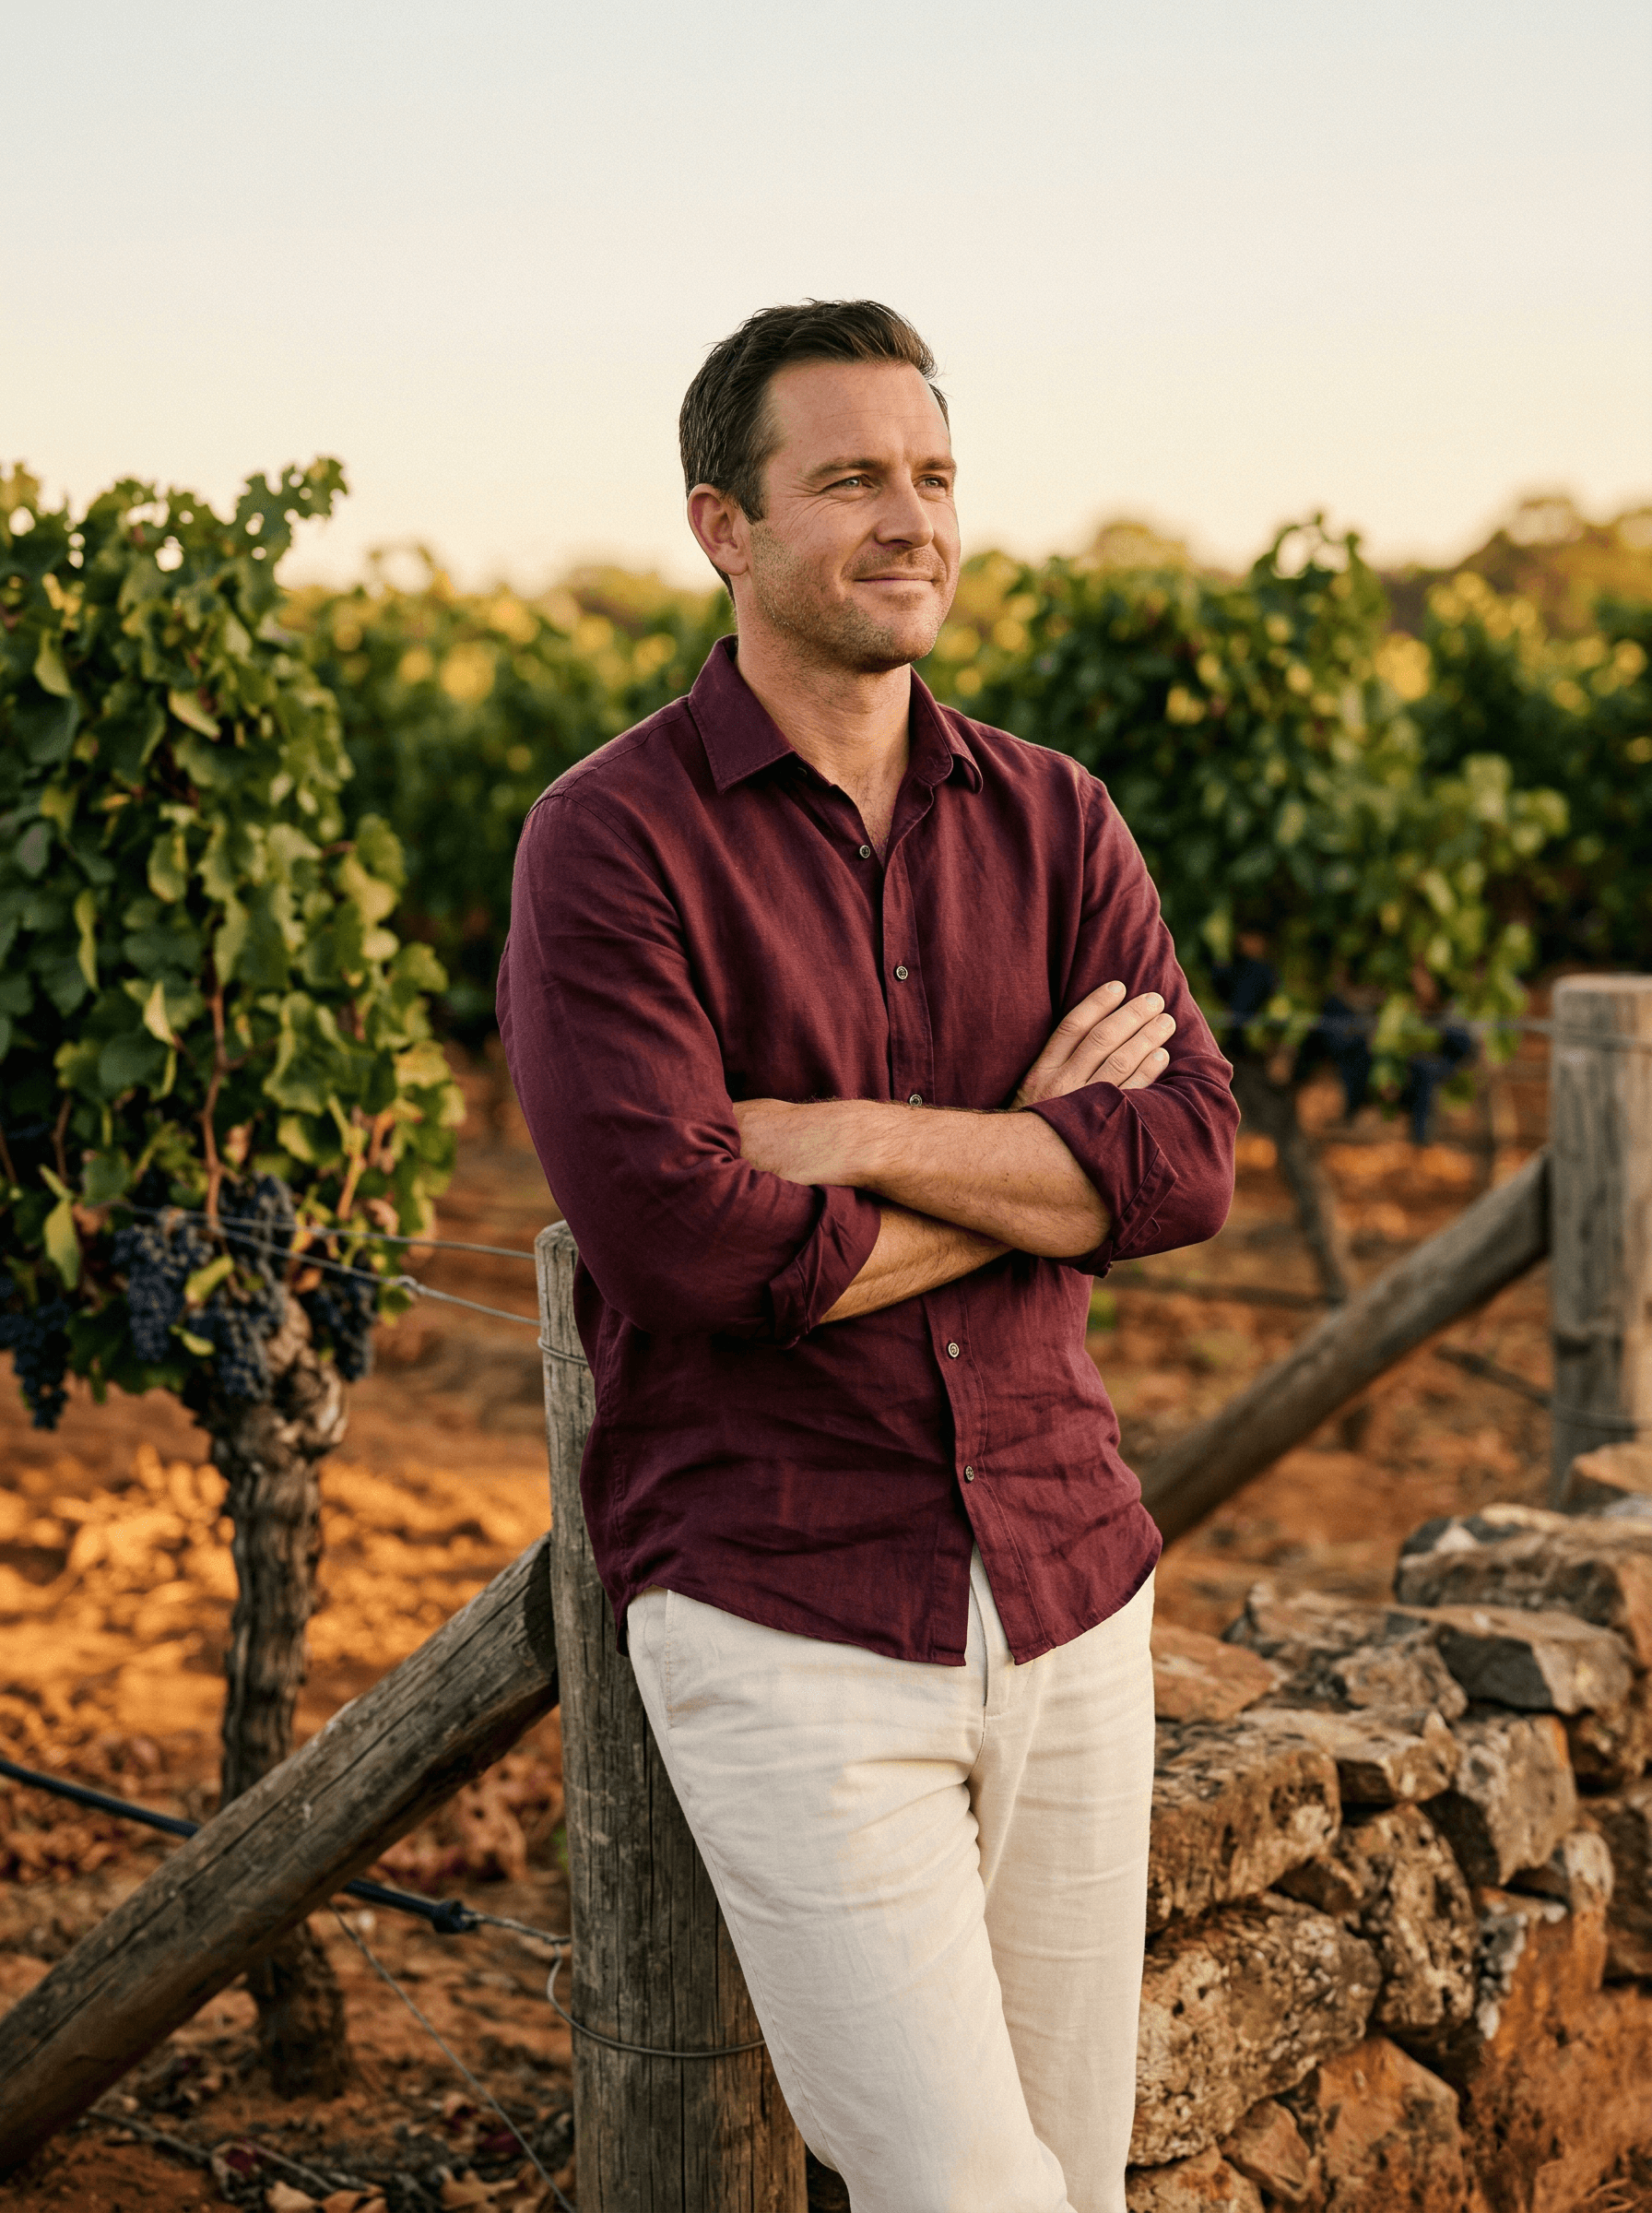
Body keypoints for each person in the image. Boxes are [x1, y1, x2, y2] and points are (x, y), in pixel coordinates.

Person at [499, 301, 1237, 2213]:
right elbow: (685, 1244)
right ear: (721, 527)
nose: (907, 520)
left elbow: (1182, 1169)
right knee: (966, 2196)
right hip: (784, 1603)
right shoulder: (610, 842)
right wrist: (1028, 1159)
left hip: (1072, 1593)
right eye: (847, 480)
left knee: (1069, 2181)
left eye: (929, 476)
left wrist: (858, 1139)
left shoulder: (1057, 818)